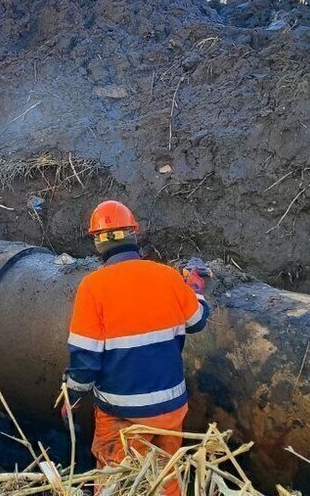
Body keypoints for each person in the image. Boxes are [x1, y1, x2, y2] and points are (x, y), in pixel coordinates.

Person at [64, 200, 211, 496]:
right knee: (165, 478)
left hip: (123, 414)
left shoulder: (93, 287)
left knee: (118, 482)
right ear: (133, 234)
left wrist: (71, 395)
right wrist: (194, 290)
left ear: (98, 242)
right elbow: (197, 321)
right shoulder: (168, 276)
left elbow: (85, 359)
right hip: (170, 407)